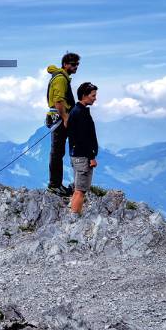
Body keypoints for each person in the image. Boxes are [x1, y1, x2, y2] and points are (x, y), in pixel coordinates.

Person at [46, 52, 79, 196]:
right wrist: (65, 118)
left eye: (77, 64)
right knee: (57, 152)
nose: (76, 67)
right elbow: (58, 101)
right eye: (73, 64)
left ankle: (56, 184)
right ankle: (55, 185)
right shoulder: (61, 79)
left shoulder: (60, 77)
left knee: (57, 152)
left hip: (56, 117)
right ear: (65, 64)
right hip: (59, 118)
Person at [67, 82, 99, 214]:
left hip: (77, 155)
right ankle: (74, 217)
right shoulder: (80, 113)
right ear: (84, 95)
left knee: (77, 189)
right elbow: (83, 138)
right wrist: (91, 157)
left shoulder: (77, 111)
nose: (95, 98)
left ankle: (73, 215)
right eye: (93, 95)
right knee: (81, 190)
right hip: (83, 157)